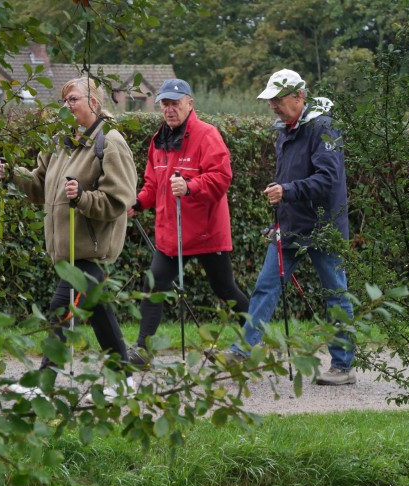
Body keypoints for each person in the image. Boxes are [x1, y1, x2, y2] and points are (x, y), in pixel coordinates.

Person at [205, 69, 356, 386]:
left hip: (324, 229)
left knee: (335, 295)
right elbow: (286, 179)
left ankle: (343, 367)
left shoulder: (324, 128)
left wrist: (287, 191)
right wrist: (279, 218)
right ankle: (241, 351)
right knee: (264, 289)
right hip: (288, 229)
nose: (272, 105)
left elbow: (328, 179)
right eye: (270, 100)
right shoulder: (286, 131)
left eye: (277, 99)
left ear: (299, 96)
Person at [0, 77, 138, 398]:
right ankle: (123, 380)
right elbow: (39, 185)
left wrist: (82, 198)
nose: (66, 106)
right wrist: (13, 175)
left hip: (90, 250)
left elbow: (120, 199)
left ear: (94, 104)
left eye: (73, 99)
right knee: (100, 312)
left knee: (61, 309)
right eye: (64, 100)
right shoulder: (61, 141)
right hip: (68, 249)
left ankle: (45, 383)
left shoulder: (110, 142)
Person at [126, 78, 249, 366]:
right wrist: (139, 202)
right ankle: (142, 350)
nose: (169, 109)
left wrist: (191, 186)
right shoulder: (158, 140)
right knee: (154, 283)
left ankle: (253, 335)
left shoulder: (207, 135)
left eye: (175, 103)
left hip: (206, 234)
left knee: (225, 289)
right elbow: (152, 185)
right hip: (172, 236)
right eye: (165, 104)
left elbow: (222, 177)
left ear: (190, 104)